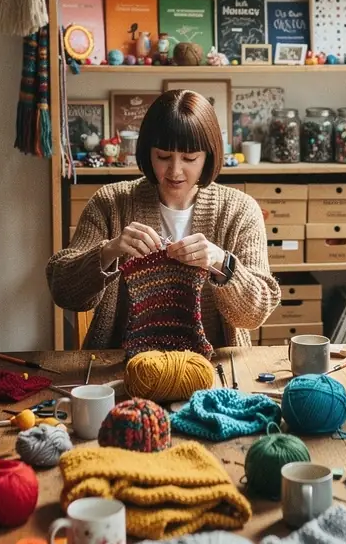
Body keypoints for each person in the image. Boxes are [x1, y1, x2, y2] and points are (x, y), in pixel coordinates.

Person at [46, 89, 279, 350]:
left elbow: (255, 313)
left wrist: (221, 262)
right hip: (122, 365)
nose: (175, 171)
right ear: (148, 152)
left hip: (213, 367)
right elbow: (63, 290)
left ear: (208, 157)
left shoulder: (239, 210)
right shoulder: (111, 203)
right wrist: (109, 251)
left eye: (190, 158)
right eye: (164, 157)